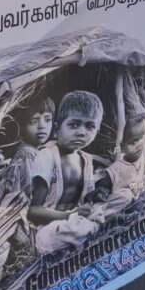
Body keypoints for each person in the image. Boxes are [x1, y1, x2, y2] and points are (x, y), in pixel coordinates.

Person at [29, 91, 103, 253]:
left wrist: (95, 197)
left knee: (102, 211)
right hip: (49, 229)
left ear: (96, 132)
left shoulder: (87, 161)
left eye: (89, 126)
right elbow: (33, 211)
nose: (82, 132)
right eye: (74, 125)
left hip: (75, 222)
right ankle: (91, 234)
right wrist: (69, 215)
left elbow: (86, 201)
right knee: (62, 232)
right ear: (57, 130)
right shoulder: (47, 156)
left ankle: (89, 232)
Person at [8, 96, 55, 193]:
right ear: (22, 125)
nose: (42, 126)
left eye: (47, 120)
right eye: (34, 121)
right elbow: (30, 194)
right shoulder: (27, 153)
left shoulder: (40, 152)